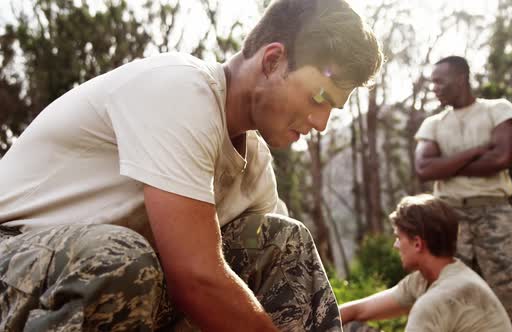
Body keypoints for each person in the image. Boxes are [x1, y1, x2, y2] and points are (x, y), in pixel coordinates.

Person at [0, 0, 383, 330]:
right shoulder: (178, 87)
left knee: (284, 243)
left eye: (332, 108)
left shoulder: (254, 166)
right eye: (319, 97)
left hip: (116, 282)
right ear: (273, 60)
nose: (320, 123)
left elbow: (251, 288)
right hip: (16, 259)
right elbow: (196, 278)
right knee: (119, 259)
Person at [413, 55, 512, 331]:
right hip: (448, 218)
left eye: (440, 81)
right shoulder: (433, 124)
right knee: (451, 300)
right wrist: (477, 151)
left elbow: (501, 158)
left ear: (461, 78)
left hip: (495, 213)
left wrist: (448, 164)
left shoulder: (498, 109)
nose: (435, 88)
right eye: (432, 83)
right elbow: (424, 168)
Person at [339, 194, 512, 331]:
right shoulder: (427, 279)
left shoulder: (438, 299)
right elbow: (358, 310)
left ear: (417, 243)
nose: (396, 245)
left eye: (399, 238)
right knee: (346, 327)